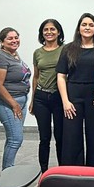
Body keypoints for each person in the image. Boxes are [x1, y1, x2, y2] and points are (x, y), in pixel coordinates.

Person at [56, 13, 94, 168]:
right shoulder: (68, 49)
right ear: (79, 29)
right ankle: (72, 172)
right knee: (71, 136)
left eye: (91, 25)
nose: (87, 28)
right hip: (73, 96)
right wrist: (65, 101)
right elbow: (61, 76)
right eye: (84, 25)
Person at [29, 19, 65, 173]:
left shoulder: (65, 50)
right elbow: (36, 76)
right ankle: (44, 172)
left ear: (58, 32)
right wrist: (32, 99)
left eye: (52, 29)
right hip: (41, 98)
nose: (49, 32)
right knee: (44, 138)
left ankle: (63, 170)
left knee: (60, 136)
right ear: (41, 33)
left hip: (58, 98)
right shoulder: (38, 53)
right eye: (46, 29)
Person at [0, 27, 31, 169]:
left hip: (21, 101)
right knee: (16, 139)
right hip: (8, 103)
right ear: (2, 42)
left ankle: (9, 169)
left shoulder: (14, 55)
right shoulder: (1, 57)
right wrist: (14, 105)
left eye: (16, 37)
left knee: (13, 138)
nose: (14, 40)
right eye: (10, 38)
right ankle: (7, 174)